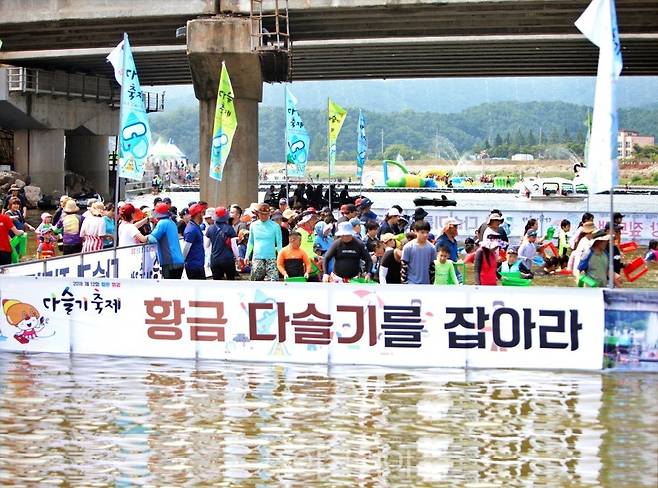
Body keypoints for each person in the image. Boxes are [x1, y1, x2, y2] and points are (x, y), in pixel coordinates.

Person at [147, 202, 185, 279]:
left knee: (169, 289)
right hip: (179, 260)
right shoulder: (172, 222)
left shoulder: (162, 223)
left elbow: (152, 239)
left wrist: (144, 237)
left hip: (170, 262)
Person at [246, 203, 283, 281]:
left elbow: (279, 243)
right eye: (261, 214)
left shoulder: (276, 226)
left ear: (269, 214)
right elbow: (251, 242)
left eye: (266, 214)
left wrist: (280, 257)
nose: (263, 216)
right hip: (257, 258)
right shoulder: (253, 225)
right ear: (258, 214)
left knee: (274, 281)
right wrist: (247, 255)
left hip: (271, 258)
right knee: (255, 282)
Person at [205, 207, 238, 280]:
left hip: (214, 259)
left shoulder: (210, 228)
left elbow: (206, 245)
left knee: (217, 283)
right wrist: (238, 257)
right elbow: (234, 246)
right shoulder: (229, 228)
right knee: (231, 280)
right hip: (228, 259)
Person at [401, 220, 436, 285]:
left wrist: (431, 283)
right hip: (411, 283)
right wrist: (404, 284)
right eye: (422, 232)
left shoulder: (432, 248)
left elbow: (432, 268)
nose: (425, 235)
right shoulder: (408, 247)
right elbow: (404, 267)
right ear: (415, 231)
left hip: (426, 284)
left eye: (427, 232)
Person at [295, 209, 322, 281]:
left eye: (315, 219)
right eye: (312, 219)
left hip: (311, 263)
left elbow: (309, 249)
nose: (315, 221)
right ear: (307, 220)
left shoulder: (312, 233)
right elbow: (295, 249)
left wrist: (316, 256)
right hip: (301, 264)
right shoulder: (299, 232)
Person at [182, 203, 206, 280]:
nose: (203, 215)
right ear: (198, 214)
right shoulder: (191, 229)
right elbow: (186, 248)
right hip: (194, 266)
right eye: (202, 213)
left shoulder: (194, 227)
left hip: (197, 264)